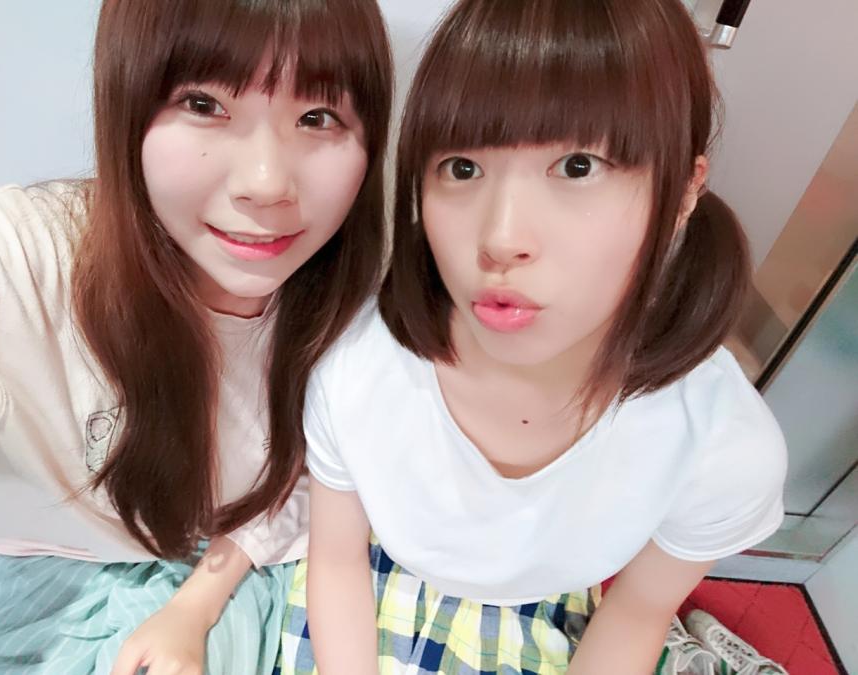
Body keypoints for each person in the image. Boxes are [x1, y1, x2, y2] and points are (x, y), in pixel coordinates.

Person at [279, 0, 788, 673]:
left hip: (561, 611)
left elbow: (636, 612)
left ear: (685, 191)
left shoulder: (724, 449)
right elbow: (337, 560)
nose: (500, 238)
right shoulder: (355, 367)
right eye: (462, 168)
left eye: (578, 166)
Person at [0, 1, 392, 673]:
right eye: (203, 103)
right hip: (29, 564)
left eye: (316, 117)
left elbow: (315, 476)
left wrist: (197, 605)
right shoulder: (31, 261)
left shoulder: (350, 314)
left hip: (224, 573)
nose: (265, 185)